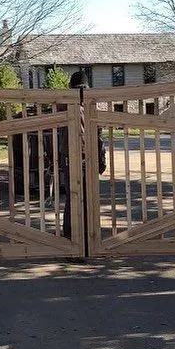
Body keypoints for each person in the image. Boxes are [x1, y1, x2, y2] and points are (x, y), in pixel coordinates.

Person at [59, 71, 106, 240]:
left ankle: (75, 239)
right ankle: (84, 239)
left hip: (72, 158)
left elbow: (99, 135)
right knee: (86, 199)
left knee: (74, 199)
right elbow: (100, 137)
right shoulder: (91, 107)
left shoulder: (64, 106)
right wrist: (102, 158)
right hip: (84, 157)